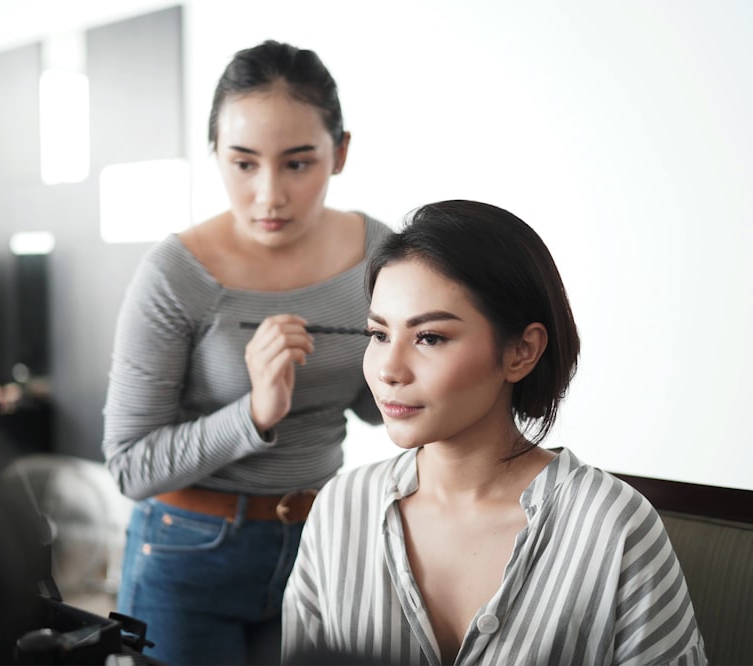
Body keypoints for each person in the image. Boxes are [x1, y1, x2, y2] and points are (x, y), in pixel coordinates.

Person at [281, 200, 707, 665]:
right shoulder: (341, 510)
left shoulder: (612, 527)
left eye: (430, 338)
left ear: (522, 351)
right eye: (378, 335)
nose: (389, 369)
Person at [101, 40, 390, 665]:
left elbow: (378, 405)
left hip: (322, 545)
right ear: (215, 156)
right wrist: (254, 415)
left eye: (297, 163)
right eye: (243, 163)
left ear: (340, 153)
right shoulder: (176, 275)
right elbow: (129, 466)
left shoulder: (379, 254)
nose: (268, 196)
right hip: (186, 557)